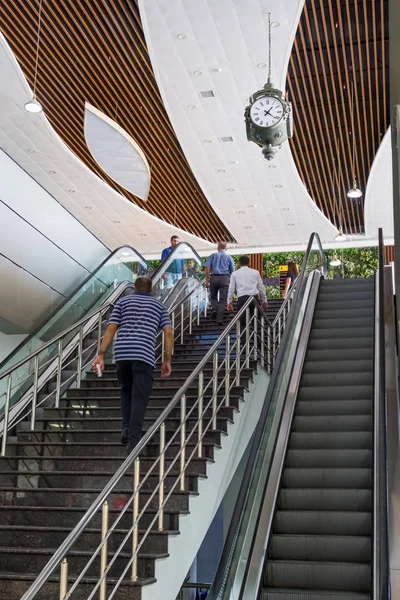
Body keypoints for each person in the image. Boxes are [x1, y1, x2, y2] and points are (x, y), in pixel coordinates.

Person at [92, 277, 173, 454]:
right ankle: (134, 442)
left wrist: (101, 355)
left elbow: (112, 328)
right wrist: (167, 360)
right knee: (140, 398)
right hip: (143, 355)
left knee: (126, 392)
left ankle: (126, 429)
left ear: (134, 288)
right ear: (151, 290)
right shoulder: (159, 307)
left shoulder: (123, 302)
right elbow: (168, 332)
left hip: (122, 354)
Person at [227, 256, 268, 331]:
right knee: (256, 321)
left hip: (242, 299)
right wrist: (265, 300)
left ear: (239, 263)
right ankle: (257, 340)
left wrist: (229, 302)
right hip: (254, 298)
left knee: (242, 322)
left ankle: (244, 341)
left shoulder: (235, 274)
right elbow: (261, 287)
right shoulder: (255, 272)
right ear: (249, 263)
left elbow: (231, 289)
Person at [205, 242, 235, 325]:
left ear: (217, 247)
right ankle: (219, 319)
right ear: (226, 249)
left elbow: (207, 268)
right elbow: (232, 271)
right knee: (222, 300)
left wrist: (207, 281)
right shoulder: (229, 257)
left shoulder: (212, 256)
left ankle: (214, 309)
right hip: (225, 278)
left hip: (214, 278)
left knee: (213, 296)